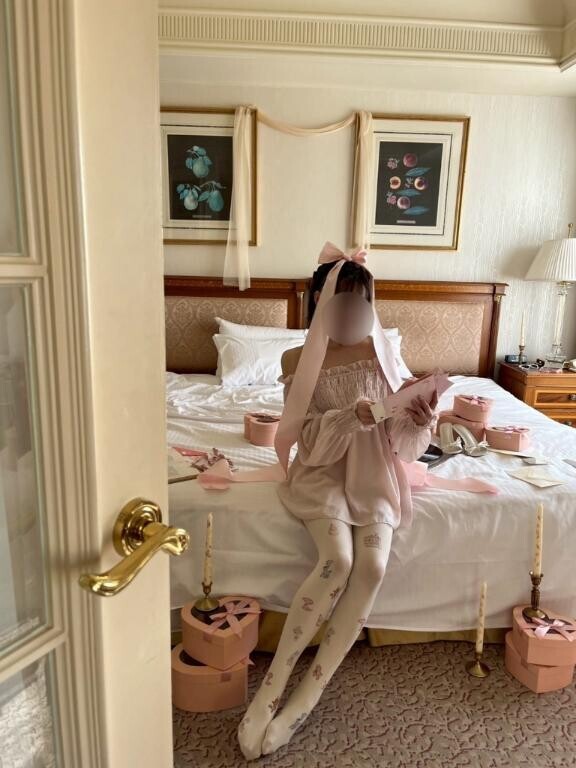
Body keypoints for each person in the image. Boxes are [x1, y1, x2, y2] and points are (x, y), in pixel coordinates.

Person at [237, 245, 438, 760]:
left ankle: (307, 695)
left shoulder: (385, 354)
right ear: (319, 302)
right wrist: (351, 416)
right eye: (341, 299)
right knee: (338, 561)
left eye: (360, 300)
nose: (351, 311)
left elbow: (404, 444)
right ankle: (271, 688)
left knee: (372, 565)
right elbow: (302, 437)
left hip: (375, 475)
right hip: (322, 473)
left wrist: (422, 419)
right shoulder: (296, 359)